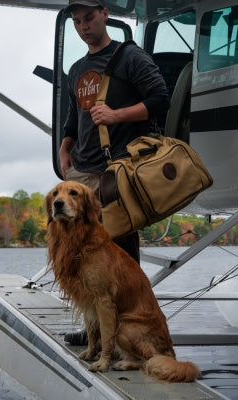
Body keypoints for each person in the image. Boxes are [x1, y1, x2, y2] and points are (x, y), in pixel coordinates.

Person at [59, 0, 170, 345]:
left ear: (105, 14)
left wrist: (116, 115)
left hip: (117, 171)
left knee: (119, 256)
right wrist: (65, 147)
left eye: (89, 18)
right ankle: (94, 329)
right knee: (82, 254)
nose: (83, 26)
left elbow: (159, 98)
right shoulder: (77, 69)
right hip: (82, 173)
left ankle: (130, 328)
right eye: (77, 21)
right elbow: (74, 115)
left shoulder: (130, 57)